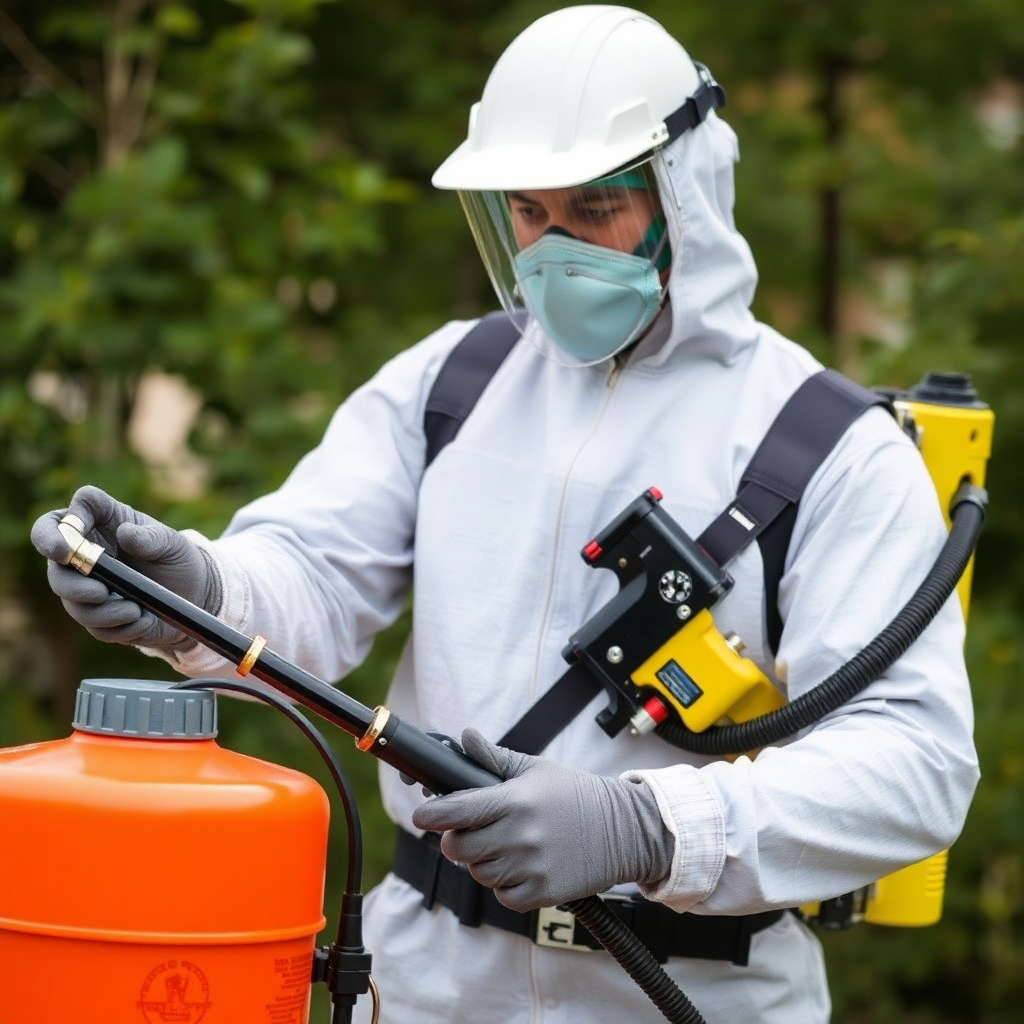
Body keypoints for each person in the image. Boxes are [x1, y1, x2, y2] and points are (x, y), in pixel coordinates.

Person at [32, 7, 978, 1023]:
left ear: (684, 197)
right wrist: (199, 591)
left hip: (691, 992)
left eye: (595, 208)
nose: (553, 248)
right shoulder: (455, 382)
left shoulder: (825, 445)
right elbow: (312, 570)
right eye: (527, 211)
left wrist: (647, 827)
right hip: (424, 984)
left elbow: (913, 766)